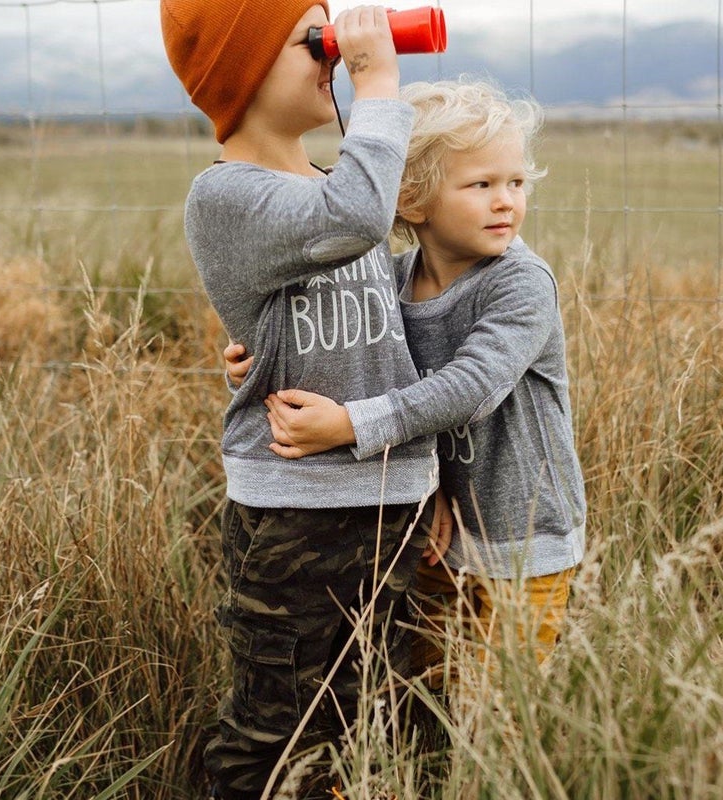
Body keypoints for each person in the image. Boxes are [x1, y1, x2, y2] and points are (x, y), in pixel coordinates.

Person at [160, 4, 449, 798]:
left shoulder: (324, 187)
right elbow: (355, 217)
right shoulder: (227, 195)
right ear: (241, 72)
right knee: (274, 723)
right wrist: (378, 79)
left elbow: (377, 315)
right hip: (295, 513)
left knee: (371, 718)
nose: (334, 54)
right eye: (310, 42)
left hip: (389, 497)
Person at [240, 78, 587, 688]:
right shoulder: (392, 281)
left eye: (515, 183)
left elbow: (472, 387)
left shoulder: (520, 283)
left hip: (525, 536)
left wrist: (350, 426)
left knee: (499, 704)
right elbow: (350, 353)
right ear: (412, 200)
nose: (506, 201)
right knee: (426, 686)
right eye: (481, 185)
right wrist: (257, 360)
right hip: (437, 524)